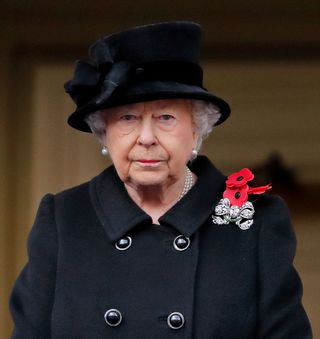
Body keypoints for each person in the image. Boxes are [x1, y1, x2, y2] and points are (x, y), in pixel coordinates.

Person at [9, 22, 312, 338]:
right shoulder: (64, 219)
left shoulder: (257, 223)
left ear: (197, 128)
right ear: (103, 132)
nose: (146, 138)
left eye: (165, 118)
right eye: (128, 118)